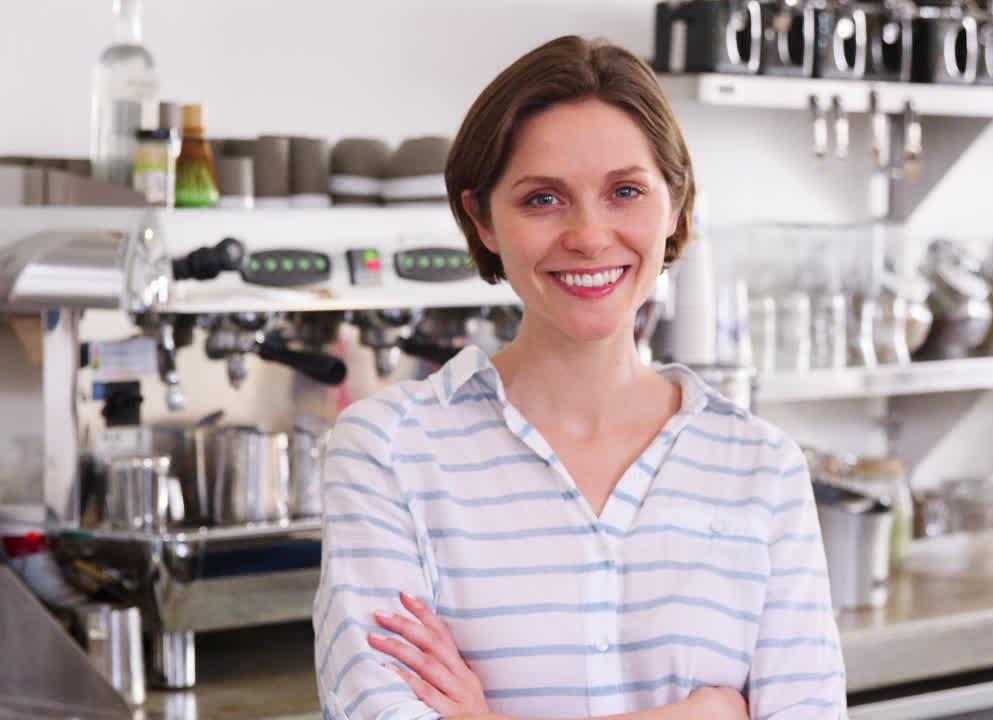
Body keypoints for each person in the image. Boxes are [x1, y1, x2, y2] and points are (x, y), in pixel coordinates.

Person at [313, 35, 845, 720]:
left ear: (677, 204)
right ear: (483, 219)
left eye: (625, 191)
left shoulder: (762, 467)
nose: (590, 236)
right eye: (543, 199)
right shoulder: (386, 450)